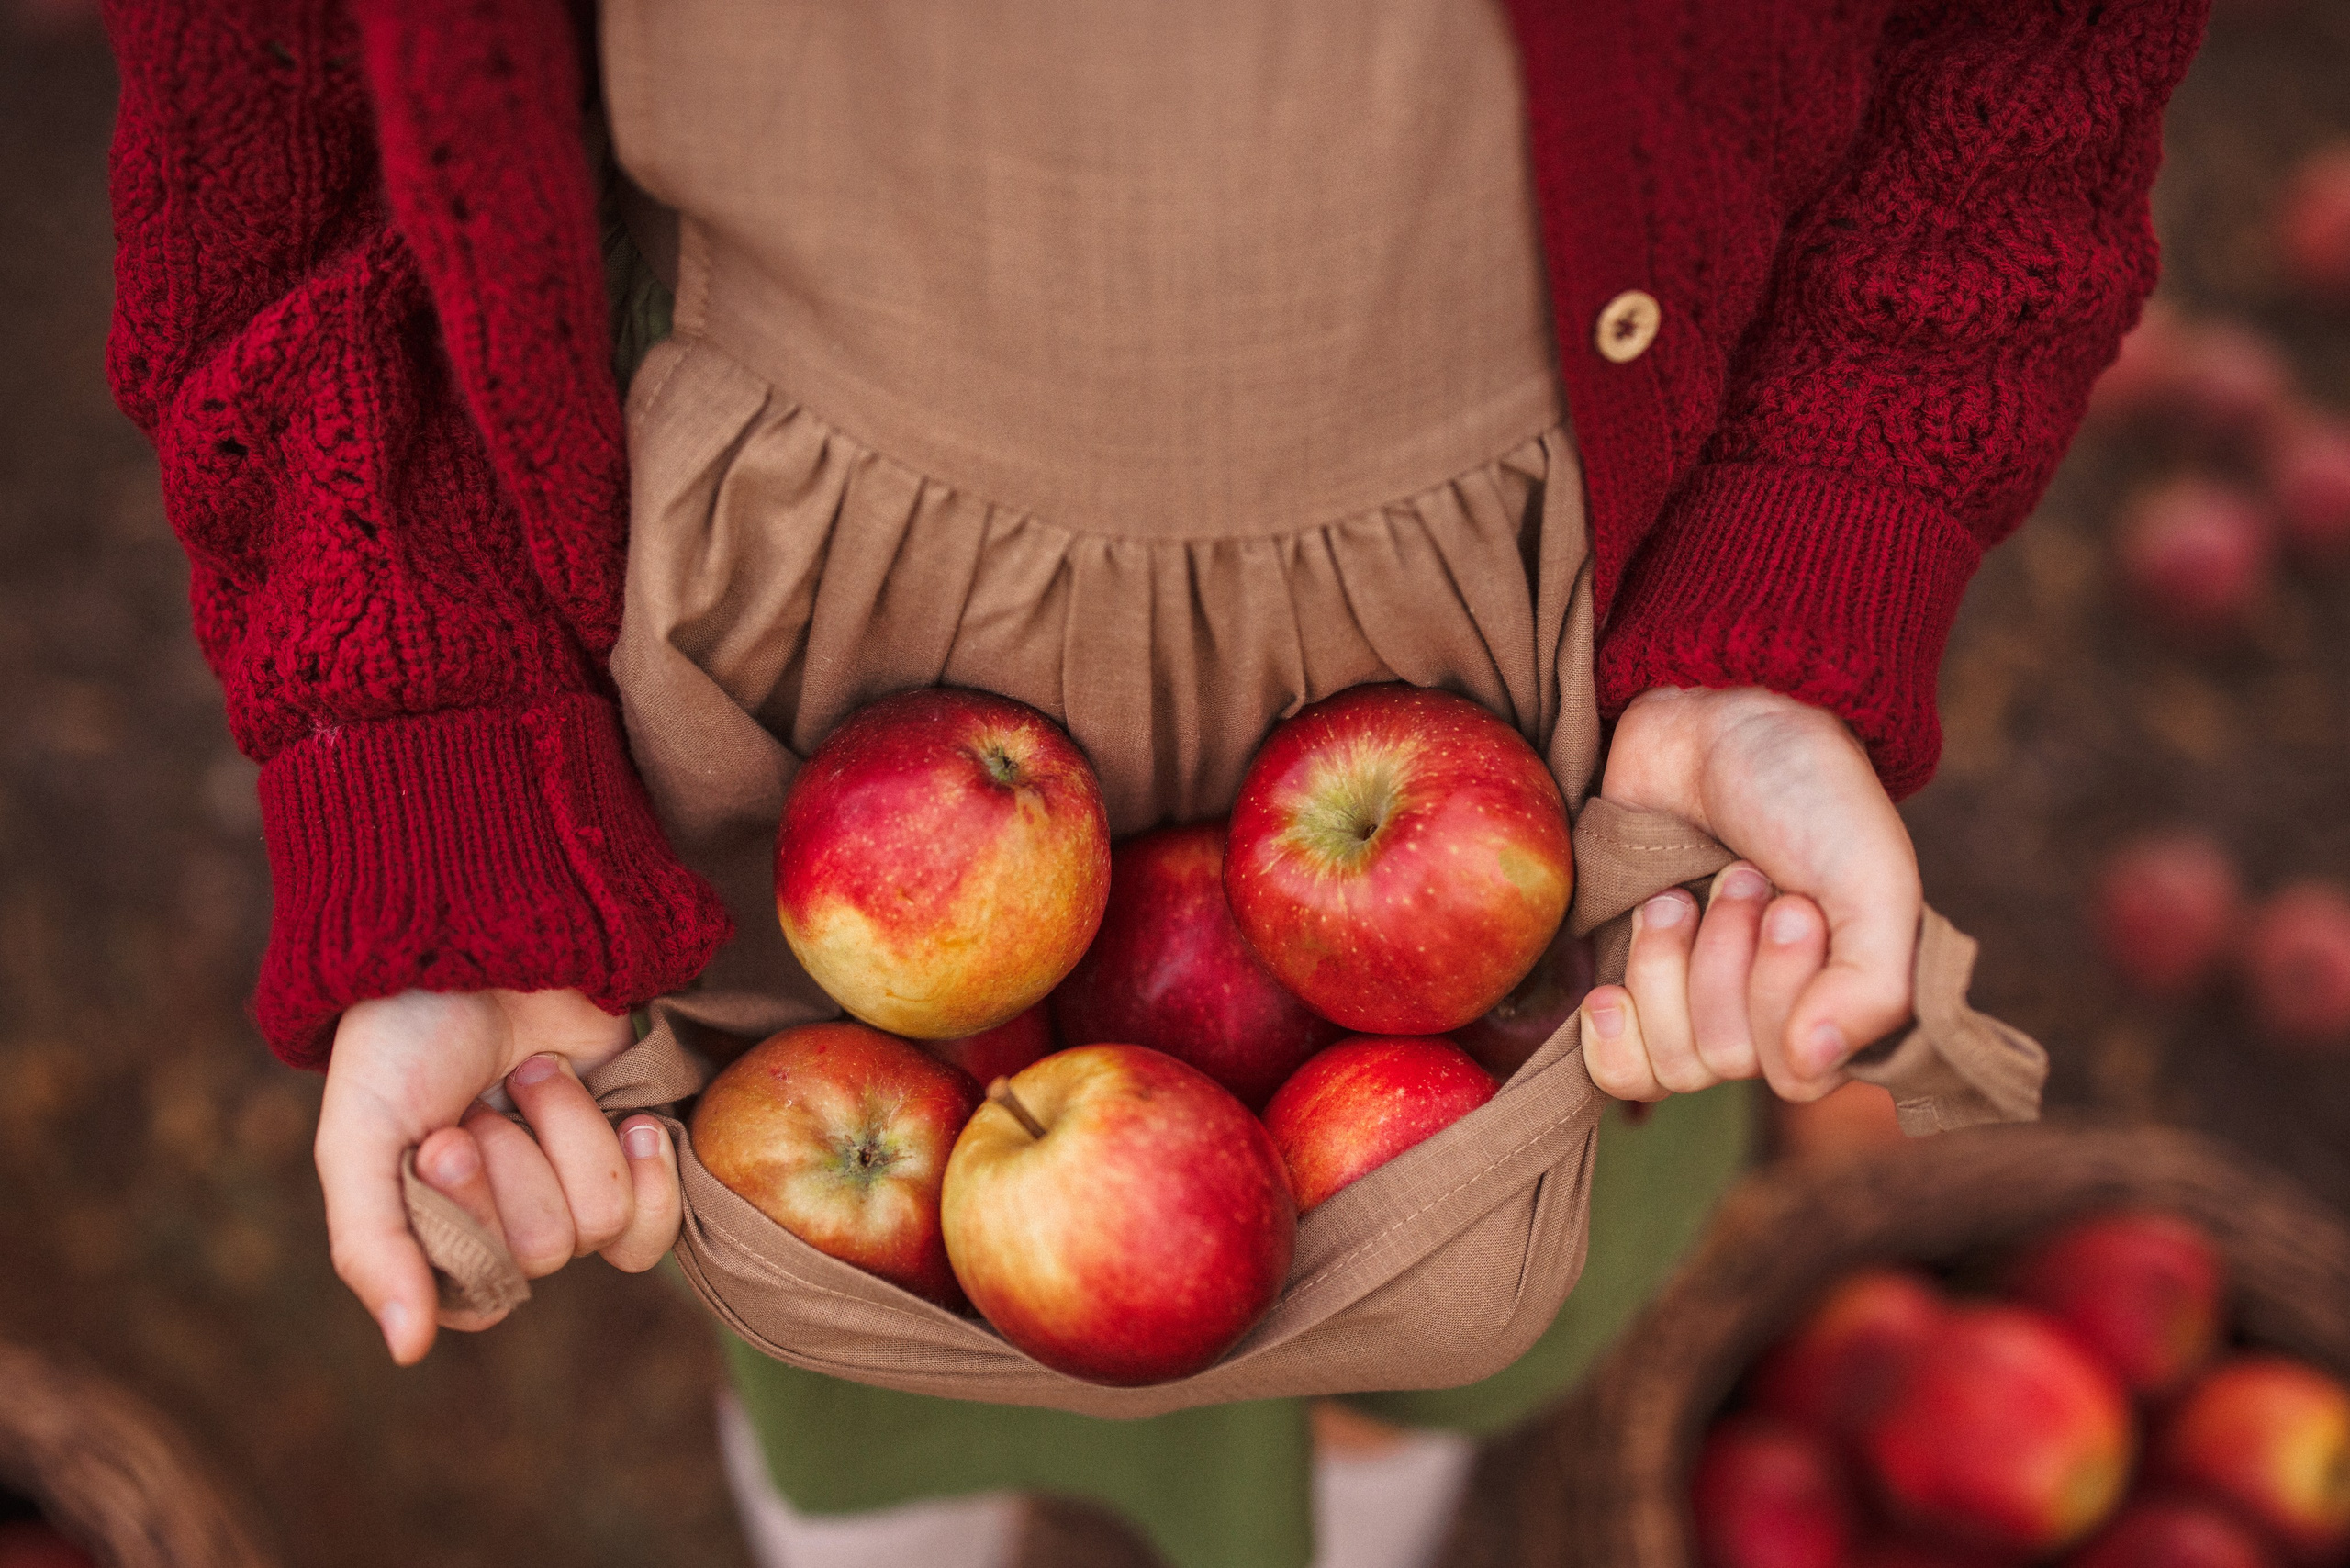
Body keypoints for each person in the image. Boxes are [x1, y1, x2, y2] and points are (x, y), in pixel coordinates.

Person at [101, 1, 2204, 1564]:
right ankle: (879, 1516)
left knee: (1460, 1256)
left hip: (1555, 637)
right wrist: (428, 739)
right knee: (861, 1288)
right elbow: (270, 98)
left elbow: (2028, 51)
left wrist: (1782, 584)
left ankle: (1377, 1480)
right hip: (826, 649)